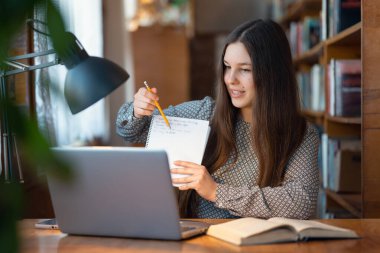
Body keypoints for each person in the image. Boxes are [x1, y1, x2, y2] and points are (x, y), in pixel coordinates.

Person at [116, 19, 320, 219]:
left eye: (245, 69)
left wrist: (216, 192)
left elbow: (300, 202)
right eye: (227, 66)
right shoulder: (204, 114)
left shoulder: (301, 134)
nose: (231, 79)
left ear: (273, 74)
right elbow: (130, 131)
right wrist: (137, 110)